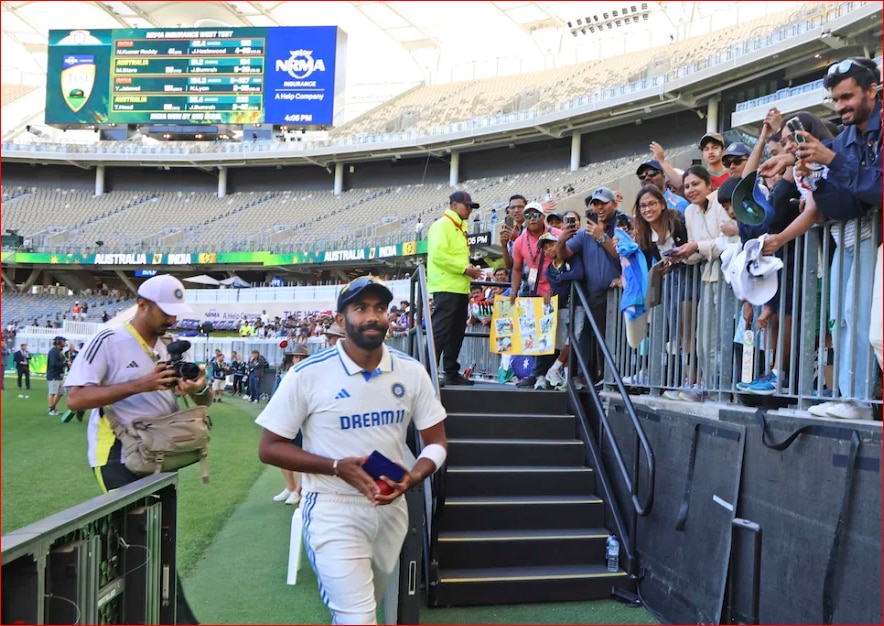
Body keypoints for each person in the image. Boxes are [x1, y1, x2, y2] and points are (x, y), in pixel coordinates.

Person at [255, 275, 448, 625]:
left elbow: (437, 443)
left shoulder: (411, 371)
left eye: (380, 308)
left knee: (364, 610)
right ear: (341, 320)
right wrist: (334, 466)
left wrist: (413, 476)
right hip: (332, 509)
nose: (372, 316)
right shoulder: (307, 374)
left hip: (392, 508)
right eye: (360, 308)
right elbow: (269, 448)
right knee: (358, 618)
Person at [64, 274, 210, 625]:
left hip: (158, 457)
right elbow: (76, 397)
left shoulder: (164, 346)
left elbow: (202, 400)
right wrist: (139, 384)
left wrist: (199, 388)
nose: (172, 319)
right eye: (165, 311)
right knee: (145, 550)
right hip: (117, 456)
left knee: (157, 550)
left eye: (176, 313)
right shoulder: (110, 340)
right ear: (142, 304)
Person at [556, 188, 623, 386]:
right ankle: (602, 377)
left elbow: (622, 255)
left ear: (615, 204)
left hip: (620, 294)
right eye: (595, 204)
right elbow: (563, 255)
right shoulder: (586, 232)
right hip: (594, 296)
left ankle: (615, 378)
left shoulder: (623, 223)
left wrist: (602, 236)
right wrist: (562, 239)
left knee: (618, 340)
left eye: (604, 203)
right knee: (598, 338)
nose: (599, 208)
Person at [427, 191, 485, 386]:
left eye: (471, 207)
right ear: (454, 204)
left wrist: (466, 270)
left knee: (456, 332)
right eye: (467, 205)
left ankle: (451, 372)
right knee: (441, 331)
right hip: (445, 286)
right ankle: (428, 373)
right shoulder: (442, 225)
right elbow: (437, 256)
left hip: (459, 287)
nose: (469, 209)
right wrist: (464, 269)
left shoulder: (458, 227)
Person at [272, 341, 310, 506]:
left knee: (300, 457)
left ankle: (299, 491)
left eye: (302, 357)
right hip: (286, 419)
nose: (298, 359)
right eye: (296, 356)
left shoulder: (310, 375)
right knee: (282, 455)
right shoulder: (285, 374)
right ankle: (290, 487)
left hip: (303, 420)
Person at [47, 336, 68, 416]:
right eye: (63, 341)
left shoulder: (60, 351)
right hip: (53, 375)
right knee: (52, 392)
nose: (65, 343)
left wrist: (66, 362)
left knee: (61, 392)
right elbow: (53, 363)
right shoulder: (53, 352)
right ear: (59, 342)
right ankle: (50, 409)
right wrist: (65, 364)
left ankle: (53, 407)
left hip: (60, 375)